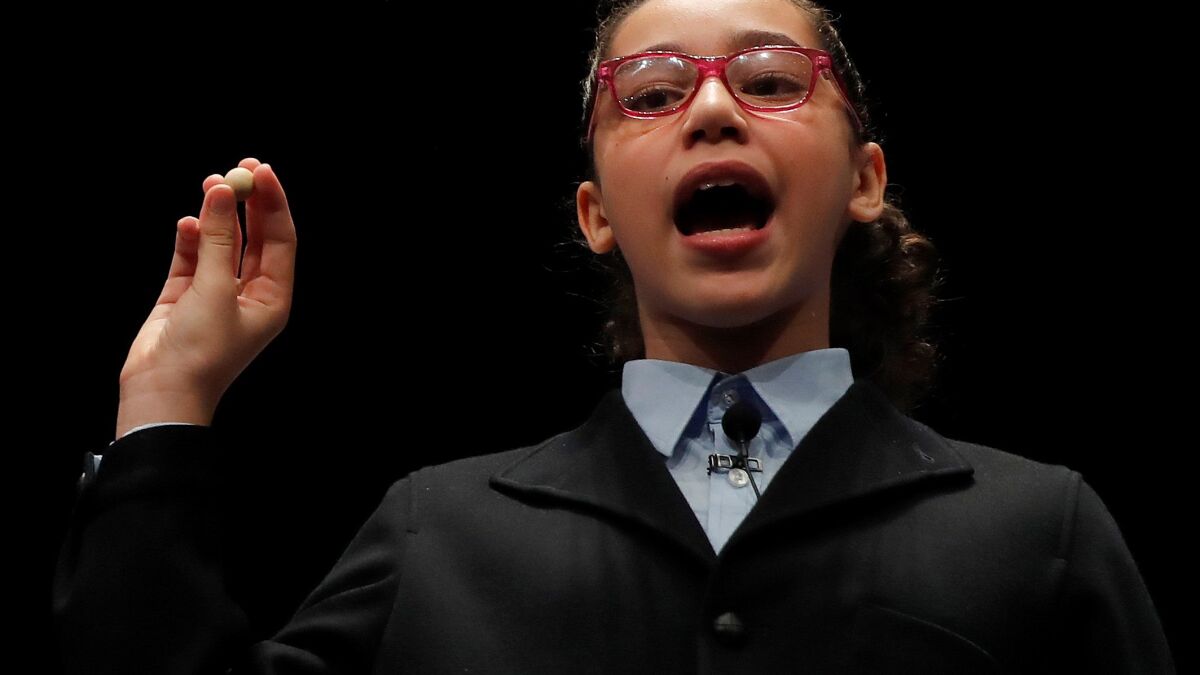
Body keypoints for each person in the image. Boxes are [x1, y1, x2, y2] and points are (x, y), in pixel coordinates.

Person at [52, 0, 1176, 672]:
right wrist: (165, 400)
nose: (714, 110)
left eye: (772, 79)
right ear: (595, 214)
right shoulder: (436, 535)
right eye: (648, 94)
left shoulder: (1041, 531)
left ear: (865, 182)